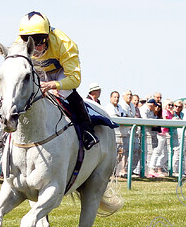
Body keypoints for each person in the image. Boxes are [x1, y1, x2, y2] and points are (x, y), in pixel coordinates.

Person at [16, 11, 99, 149]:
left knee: (65, 92)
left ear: (47, 37)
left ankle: (87, 130)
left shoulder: (65, 44)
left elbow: (75, 80)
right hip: (39, 71)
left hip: (60, 71)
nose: (34, 47)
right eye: (28, 41)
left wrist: (53, 85)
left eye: (38, 41)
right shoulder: (19, 43)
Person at [104, 90, 130, 177]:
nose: (116, 99)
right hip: (114, 133)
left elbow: (125, 116)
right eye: (114, 97)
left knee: (120, 153)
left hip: (121, 134)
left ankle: (115, 170)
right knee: (115, 153)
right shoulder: (108, 107)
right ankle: (110, 171)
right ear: (111, 98)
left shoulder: (120, 107)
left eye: (118, 97)